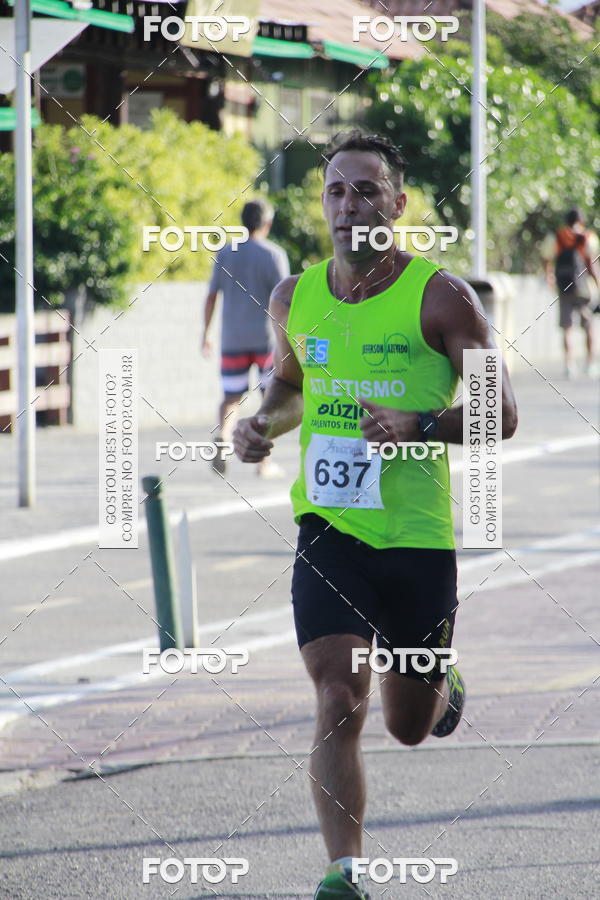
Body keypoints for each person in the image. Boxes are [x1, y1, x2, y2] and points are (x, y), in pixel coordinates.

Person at [233, 130, 518, 899]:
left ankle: (440, 680)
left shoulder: (442, 297)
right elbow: (292, 387)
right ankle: (345, 871)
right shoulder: (296, 296)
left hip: (418, 538)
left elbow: (505, 412)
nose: (349, 205)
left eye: (366, 191)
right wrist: (263, 423)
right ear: (320, 203)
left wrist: (420, 422)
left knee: (407, 725)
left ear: (397, 204)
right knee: (337, 692)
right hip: (328, 527)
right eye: (336, 190)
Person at [202, 197, 290, 475]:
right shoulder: (273, 254)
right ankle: (264, 463)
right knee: (269, 400)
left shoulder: (226, 253)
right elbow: (286, 299)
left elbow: (211, 296)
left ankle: (224, 437)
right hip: (265, 338)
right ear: (267, 223)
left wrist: (205, 333)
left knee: (231, 398)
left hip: (232, 338)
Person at [541, 208, 599, 378]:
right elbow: (591, 263)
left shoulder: (557, 236)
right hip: (584, 288)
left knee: (566, 327)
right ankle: (590, 363)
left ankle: (569, 364)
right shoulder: (588, 237)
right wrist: (598, 283)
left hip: (564, 286)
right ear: (581, 220)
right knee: (588, 326)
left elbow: (547, 258)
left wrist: (549, 276)